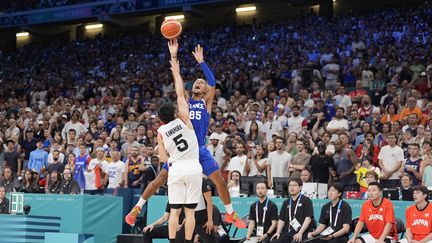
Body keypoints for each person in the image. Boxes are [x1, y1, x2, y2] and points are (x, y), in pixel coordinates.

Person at [126, 39, 245, 229]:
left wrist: (201, 62)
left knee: (220, 181)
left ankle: (230, 213)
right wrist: (174, 60)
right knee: (159, 180)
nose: (198, 83)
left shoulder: (206, 102)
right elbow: (178, 84)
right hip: (182, 154)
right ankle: (137, 208)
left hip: (199, 149)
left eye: (201, 82)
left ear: (206, 90)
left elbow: (212, 81)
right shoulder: (185, 104)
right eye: (196, 82)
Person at [152, 54, 204, 243]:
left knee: (174, 211)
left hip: (176, 168)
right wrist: (176, 69)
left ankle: (173, 241)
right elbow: (181, 93)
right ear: (174, 113)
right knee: (190, 212)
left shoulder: (160, 131)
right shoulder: (184, 119)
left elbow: (164, 160)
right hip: (193, 167)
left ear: (161, 119)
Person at [271, 178, 313, 243]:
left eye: (295, 185)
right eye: (290, 185)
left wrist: (300, 233)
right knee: (275, 241)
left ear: (300, 187)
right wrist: (278, 232)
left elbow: (308, 219)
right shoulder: (286, 202)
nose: (292, 187)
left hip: (302, 232)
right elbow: (281, 219)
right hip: (287, 232)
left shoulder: (306, 201)